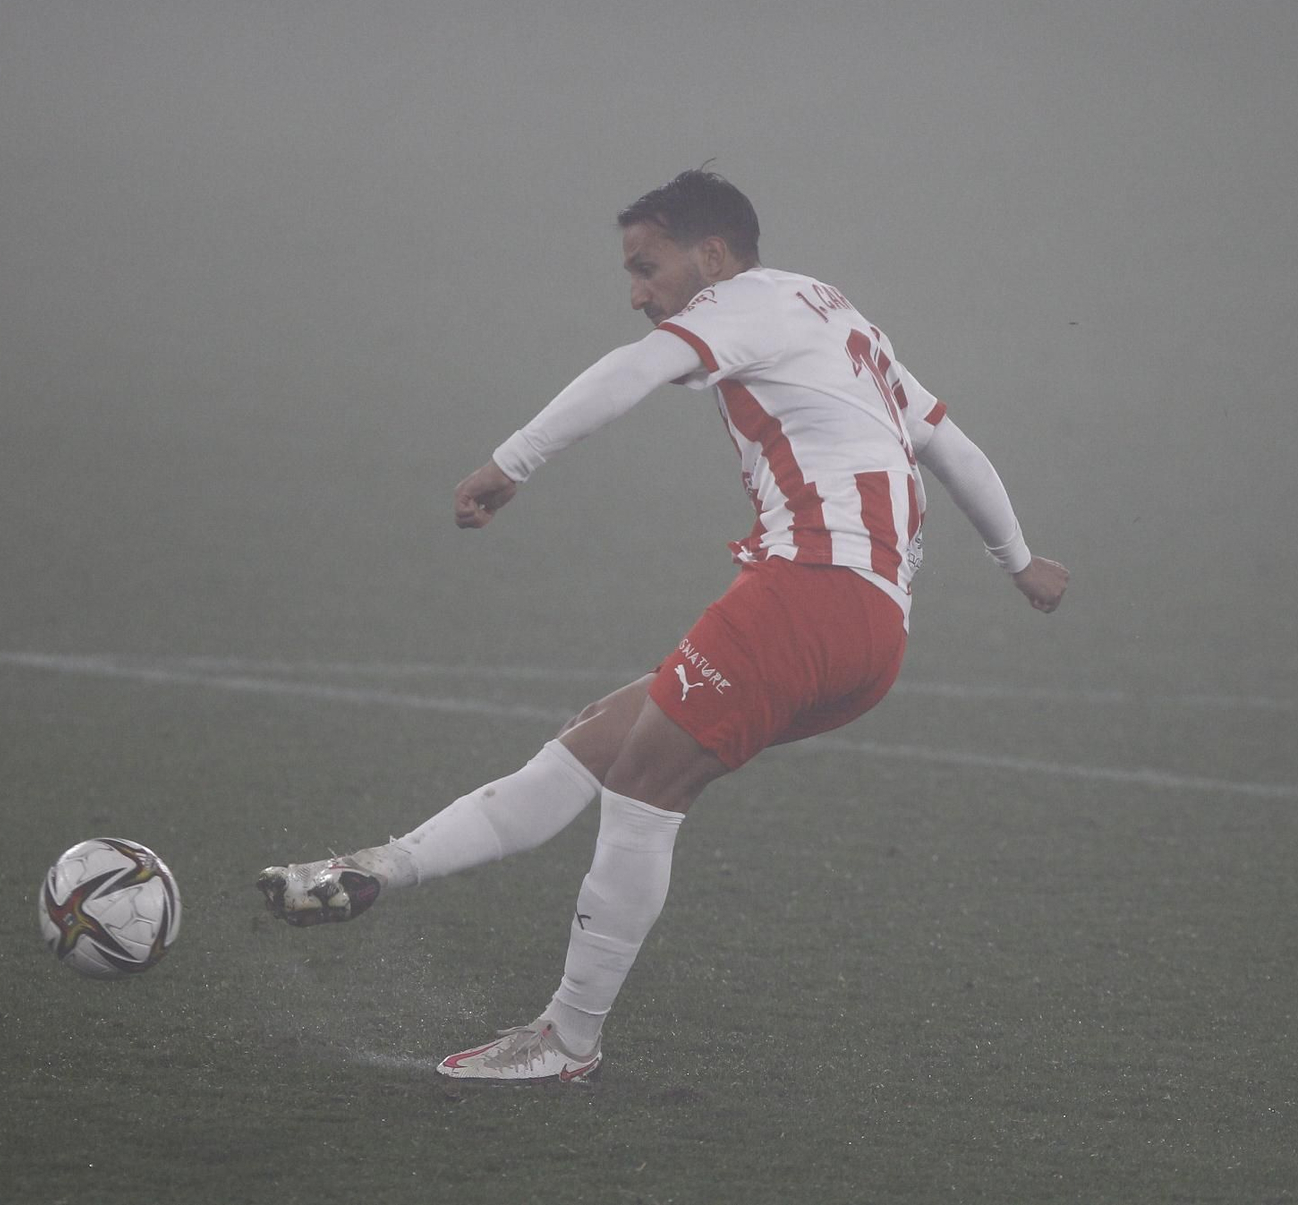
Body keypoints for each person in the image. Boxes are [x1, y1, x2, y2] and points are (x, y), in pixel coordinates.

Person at [258, 168, 1068, 1083]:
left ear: (712, 256)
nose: (638, 294)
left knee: (645, 787)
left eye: (648, 268)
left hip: (811, 590)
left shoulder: (744, 304)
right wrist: (1019, 560)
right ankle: (373, 869)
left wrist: (511, 462)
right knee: (602, 742)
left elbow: (633, 370)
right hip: (873, 634)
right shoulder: (836, 316)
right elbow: (949, 444)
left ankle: (568, 1041)